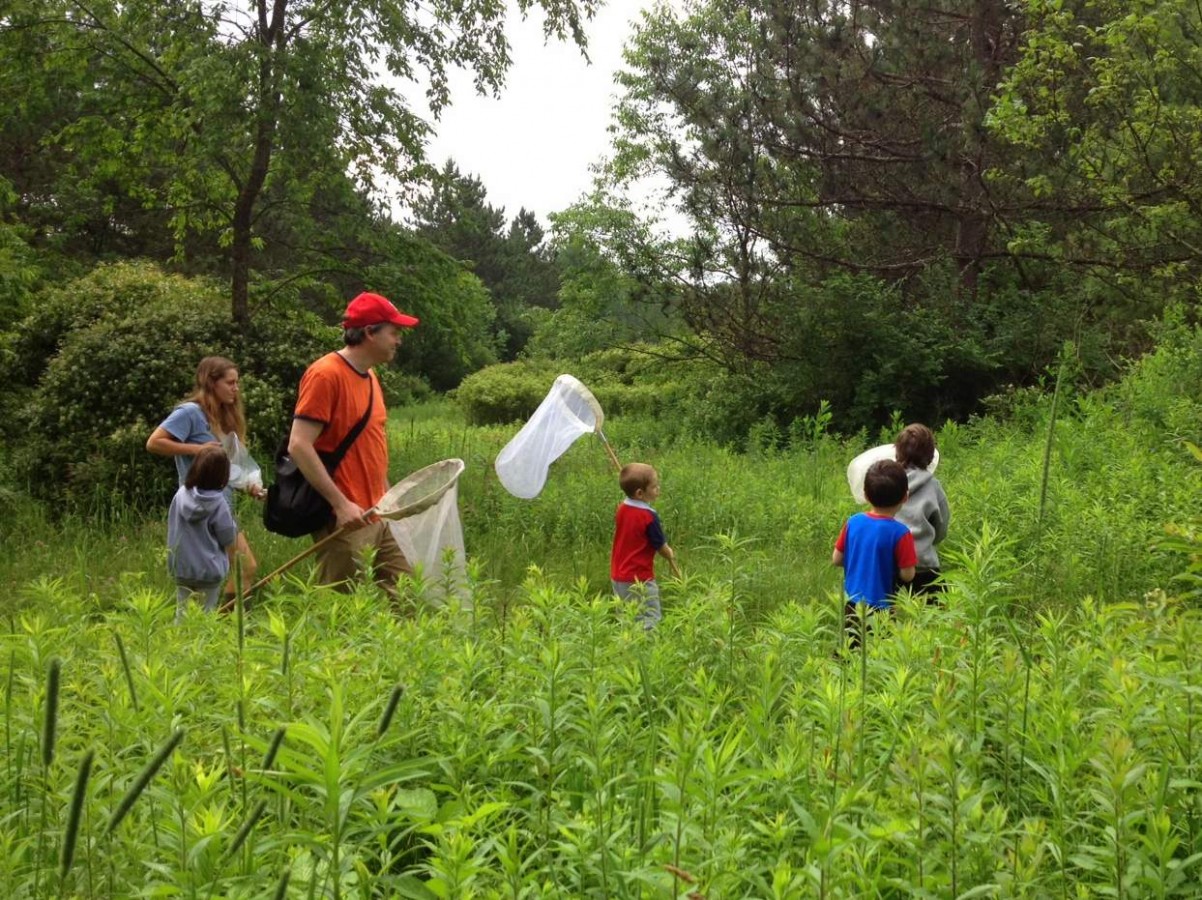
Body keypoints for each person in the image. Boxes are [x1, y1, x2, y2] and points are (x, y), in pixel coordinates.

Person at [287, 291, 418, 596]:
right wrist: (340, 504)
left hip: (378, 512)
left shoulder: (371, 377)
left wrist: (388, 496)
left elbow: (371, 444)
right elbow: (299, 445)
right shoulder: (325, 374)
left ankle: (395, 646)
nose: (398, 340)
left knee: (408, 593)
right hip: (345, 519)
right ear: (370, 332)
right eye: (394, 332)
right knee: (340, 609)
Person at [147, 356, 263, 600]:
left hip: (222, 505)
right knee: (241, 567)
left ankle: (215, 628)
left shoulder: (225, 418)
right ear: (211, 383)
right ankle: (227, 625)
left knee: (225, 573)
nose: (236, 388)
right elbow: (154, 442)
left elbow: (227, 468)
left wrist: (249, 485)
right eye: (230, 383)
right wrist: (197, 449)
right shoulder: (190, 413)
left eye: (237, 382)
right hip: (197, 508)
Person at [832, 459, 917, 648]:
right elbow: (908, 574)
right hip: (882, 608)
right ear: (905, 497)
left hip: (852, 603)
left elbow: (836, 559)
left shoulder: (853, 522)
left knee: (849, 651)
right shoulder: (901, 533)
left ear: (865, 495)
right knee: (879, 655)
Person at [167, 445, 238, 623]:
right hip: (209, 569)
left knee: (182, 613)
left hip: (182, 567)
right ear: (223, 474)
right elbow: (227, 537)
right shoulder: (219, 503)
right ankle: (202, 648)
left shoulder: (181, 494)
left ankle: (177, 647)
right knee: (206, 615)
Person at [610, 462, 679, 630]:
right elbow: (660, 545)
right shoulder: (648, 517)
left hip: (618, 575)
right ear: (640, 493)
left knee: (628, 616)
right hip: (638, 577)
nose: (658, 489)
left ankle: (628, 648)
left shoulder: (622, 508)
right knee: (649, 617)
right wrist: (669, 553)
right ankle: (647, 650)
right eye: (654, 487)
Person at [894, 423, 950, 598]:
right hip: (923, 561)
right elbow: (941, 527)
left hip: (891, 559)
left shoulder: (889, 481)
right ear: (931, 454)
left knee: (882, 615)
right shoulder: (933, 486)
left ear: (897, 452)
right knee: (938, 614)